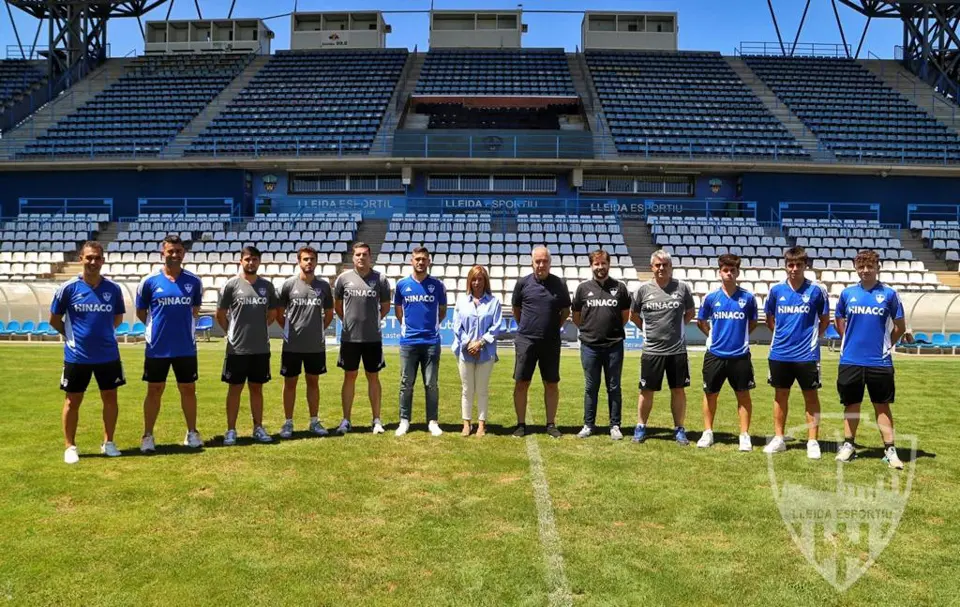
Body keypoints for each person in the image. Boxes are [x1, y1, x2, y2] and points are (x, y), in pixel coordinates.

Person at [50, 241, 126, 464]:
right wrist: (73, 338)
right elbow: (55, 320)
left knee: (110, 398)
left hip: (108, 355)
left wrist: (102, 336)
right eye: (89, 258)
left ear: (103, 260)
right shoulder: (68, 288)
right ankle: (70, 446)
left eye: (97, 258)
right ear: (80, 259)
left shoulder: (113, 289)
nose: (93, 262)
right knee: (73, 401)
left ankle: (109, 442)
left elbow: (118, 319)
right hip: (77, 356)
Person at [833, 250, 906, 469]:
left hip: (879, 361)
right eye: (861, 267)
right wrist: (848, 340)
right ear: (856, 268)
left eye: (870, 266)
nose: (865, 270)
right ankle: (848, 445)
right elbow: (839, 319)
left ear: (877, 268)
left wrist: (886, 346)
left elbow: (899, 327)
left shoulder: (890, 294)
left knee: (881, 405)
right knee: (851, 404)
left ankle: (890, 449)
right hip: (851, 360)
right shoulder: (847, 294)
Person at [136, 235, 204, 453]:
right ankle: (148, 436)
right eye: (170, 251)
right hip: (157, 348)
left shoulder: (194, 282)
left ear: (183, 254)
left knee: (188, 389)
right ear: (162, 253)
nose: (174, 255)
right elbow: (141, 313)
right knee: (154, 390)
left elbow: (194, 311)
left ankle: (192, 432)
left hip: (185, 347)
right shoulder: (149, 282)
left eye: (178, 252)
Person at [763, 246, 830, 459]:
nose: (794, 269)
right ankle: (779, 438)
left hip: (807, 355)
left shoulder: (817, 291)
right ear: (785, 266)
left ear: (805, 266)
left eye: (798, 265)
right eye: (790, 265)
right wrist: (783, 336)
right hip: (780, 354)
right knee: (780, 395)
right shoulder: (776, 291)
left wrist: (810, 339)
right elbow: (770, 319)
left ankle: (812, 441)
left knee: (810, 396)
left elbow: (825, 320)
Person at [631, 250, 696, 445]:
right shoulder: (643, 290)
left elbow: (690, 312)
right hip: (651, 351)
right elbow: (633, 315)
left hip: (677, 351)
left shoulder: (682, 288)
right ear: (652, 268)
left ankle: (679, 429)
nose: (661, 268)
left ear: (671, 267)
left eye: (665, 265)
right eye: (657, 265)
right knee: (646, 391)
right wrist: (647, 330)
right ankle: (641, 426)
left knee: (678, 390)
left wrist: (677, 330)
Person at [216, 245, 279, 445]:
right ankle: (231, 430)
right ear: (241, 261)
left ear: (259, 262)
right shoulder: (231, 285)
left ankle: (258, 427)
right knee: (234, 389)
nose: (251, 263)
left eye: (254, 259)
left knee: (257, 389)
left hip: (260, 347)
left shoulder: (267, 287)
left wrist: (258, 329)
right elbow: (220, 314)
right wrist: (232, 333)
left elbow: (272, 314)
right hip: (237, 348)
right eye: (247, 259)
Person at [695, 254, 758, 452]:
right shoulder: (711, 298)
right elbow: (701, 321)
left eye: (733, 270)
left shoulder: (748, 298)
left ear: (738, 272)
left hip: (739, 355)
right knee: (710, 394)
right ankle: (707, 432)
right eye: (725, 270)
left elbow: (753, 323)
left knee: (743, 395)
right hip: (715, 354)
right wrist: (713, 336)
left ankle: (744, 435)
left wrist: (739, 337)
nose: (729, 273)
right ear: (719, 272)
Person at [511, 246, 571, 438]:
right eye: (538, 261)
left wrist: (552, 327)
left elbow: (565, 311)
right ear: (532, 262)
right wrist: (528, 328)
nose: (541, 265)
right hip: (526, 341)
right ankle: (521, 424)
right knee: (522, 382)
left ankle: (551, 424)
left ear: (550, 263)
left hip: (551, 342)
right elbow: (516, 309)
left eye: (544, 261)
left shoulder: (560, 284)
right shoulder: (522, 283)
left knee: (551, 383)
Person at [571, 249, 631, 440]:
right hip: (589, 346)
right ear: (591, 266)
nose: (600, 267)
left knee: (614, 387)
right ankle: (589, 424)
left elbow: (625, 316)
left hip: (614, 346)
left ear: (608, 265)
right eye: (596, 264)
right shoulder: (582, 289)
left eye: (603, 263)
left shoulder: (620, 288)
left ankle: (615, 425)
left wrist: (610, 331)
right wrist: (590, 331)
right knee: (591, 387)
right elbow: (576, 317)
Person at [334, 241, 391, 435]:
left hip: (372, 339)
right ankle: (346, 420)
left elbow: (385, 307)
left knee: (373, 377)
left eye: (364, 254)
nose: (361, 257)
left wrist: (371, 323)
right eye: (358, 254)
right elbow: (338, 306)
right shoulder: (343, 279)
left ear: (370, 257)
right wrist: (349, 322)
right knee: (349, 376)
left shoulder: (380, 279)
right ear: (353, 256)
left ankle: (376, 420)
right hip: (350, 339)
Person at [277, 246, 334, 439]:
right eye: (305, 259)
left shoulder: (324, 286)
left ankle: (314, 421)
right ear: (298, 261)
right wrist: (289, 330)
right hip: (292, 345)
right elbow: (278, 313)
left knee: (313, 382)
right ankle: (288, 422)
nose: (309, 262)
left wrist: (317, 330)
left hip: (315, 345)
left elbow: (329, 314)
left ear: (316, 262)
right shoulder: (288, 285)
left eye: (312, 259)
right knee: (290, 382)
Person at [394, 246, 447, 437]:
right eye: (417, 259)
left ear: (429, 261)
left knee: (431, 383)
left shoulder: (438, 285)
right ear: (411, 261)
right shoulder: (402, 285)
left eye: (424, 259)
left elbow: (442, 310)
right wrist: (408, 328)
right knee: (406, 383)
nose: (420, 262)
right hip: (408, 342)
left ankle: (432, 421)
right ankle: (404, 420)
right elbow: (399, 311)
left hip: (431, 341)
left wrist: (430, 328)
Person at [452, 265, 502, 437]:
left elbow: (495, 327)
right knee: (467, 389)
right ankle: (466, 423)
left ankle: (481, 424)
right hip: (465, 352)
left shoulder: (494, 302)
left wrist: (480, 343)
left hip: (486, 352)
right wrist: (469, 344)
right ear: (469, 281)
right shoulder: (461, 302)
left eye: (480, 279)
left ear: (485, 281)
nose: (477, 282)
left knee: (482, 389)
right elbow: (457, 327)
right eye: (474, 279)